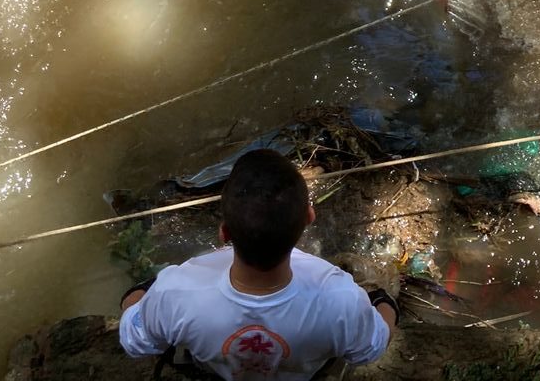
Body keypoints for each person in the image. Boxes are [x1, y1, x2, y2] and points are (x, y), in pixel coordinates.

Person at [119, 148, 396, 380]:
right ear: (309, 217)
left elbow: (135, 340)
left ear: (224, 233)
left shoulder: (175, 291)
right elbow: (369, 347)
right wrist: (384, 302)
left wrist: (141, 292)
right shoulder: (341, 298)